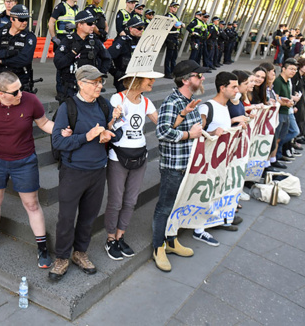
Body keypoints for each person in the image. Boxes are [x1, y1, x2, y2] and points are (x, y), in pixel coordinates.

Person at [0, 71, 62, 269]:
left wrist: (62, 130)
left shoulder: (30, 100)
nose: (20, 94)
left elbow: (44, 123)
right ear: (1, 93)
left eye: (21, 89)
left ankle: (42, 247)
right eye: (15, 92)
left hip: (24, 160)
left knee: (31, 204)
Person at [49, 65, 116, 281]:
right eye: (94, 82)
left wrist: (108, 134)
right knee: (66, 218)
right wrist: (85, 137)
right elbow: (58, 141)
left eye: (100, 82)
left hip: (98, 170)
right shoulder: (67, 107)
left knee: (88, 217)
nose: (99, 86)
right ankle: (61, 258)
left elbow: (115, 129)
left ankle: (80, 253)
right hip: (73, 172)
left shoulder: (104, 105)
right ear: (80, 83)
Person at [153, 60, 206, 272]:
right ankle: (158, 247)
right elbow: (162, 132)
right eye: (197, 75)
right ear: (185, 79)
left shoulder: (189, 101)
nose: (202, 78)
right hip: (173, 166)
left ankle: (172, 241)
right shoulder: (172, 101)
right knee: (165, 207)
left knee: (177, 206)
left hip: (187, 164)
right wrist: (188, 134)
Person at [105, 71, 159, 260]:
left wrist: (183, 115)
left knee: (131, 200)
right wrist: (114, 117)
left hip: (139, 155)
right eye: (148, 79)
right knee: (116, 200)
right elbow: (108, 127)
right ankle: (110, 238)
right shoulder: (117, 98)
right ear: (136, 80)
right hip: (119, 156)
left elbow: (161, 124)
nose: (152, 82)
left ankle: (120, 236)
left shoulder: (146, 101)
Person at [197, 71, 244, 237]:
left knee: (218, 189)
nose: (237, 90)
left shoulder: (225, 107)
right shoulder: (206, 107)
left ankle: (214, 220)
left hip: (221, 161)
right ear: (222, 88)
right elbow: (198, 130)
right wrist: (211, 131)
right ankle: (199, 229)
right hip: (208, 162)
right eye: (234, 87)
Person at [53, 10, 111, 102]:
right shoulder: (68, 40)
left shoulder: (95, 41)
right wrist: (73, 52)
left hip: (89, 89)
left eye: (94, 23)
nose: (93, 26)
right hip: (70, 89)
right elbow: (58, 63)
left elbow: (107, 59)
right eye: (89, 23)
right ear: (79, 25)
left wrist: (98, 76)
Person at [0, 4, 36, 94]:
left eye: (26, 19)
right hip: (0, 78)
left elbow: (24, 59)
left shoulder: (29, 37)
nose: (24, 22)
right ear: (12, 19)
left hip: (19, 80)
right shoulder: (0, 33)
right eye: (21, 19)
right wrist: (9, 53)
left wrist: (2, 61)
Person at [274, 59, 301, 163]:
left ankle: (278, 154)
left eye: (295, 70)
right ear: (283, 69)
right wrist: (285, 103)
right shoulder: (278, 81)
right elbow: (275, 98)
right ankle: (275, 157)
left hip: (287, 111)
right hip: (280, 112)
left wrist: (290, 101)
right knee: (278, 138)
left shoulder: (287, 82)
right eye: (291, 69)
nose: (293, 72)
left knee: (282, 137)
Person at [109, 16, 144, 93]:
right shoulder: (122, 41)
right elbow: (107, 57)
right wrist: (115, 72)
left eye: (142, 28)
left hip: (137, 77)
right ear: (131, 28)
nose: (142, 30)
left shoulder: (141, 42)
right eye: (139, 28)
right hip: (124, 79)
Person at [164, 2, 184, 78]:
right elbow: (176, 25)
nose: (175, 8)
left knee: (174, 56)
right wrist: (180, 24)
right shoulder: (168, 15)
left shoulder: (175, 16)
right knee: (169, 56)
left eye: (176, 7)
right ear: (170, 7)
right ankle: (167, 73)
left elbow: (180, 25)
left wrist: (180, 25)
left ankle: (173, 71)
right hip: (170, 36)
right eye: (174, 7)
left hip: (175, 37)